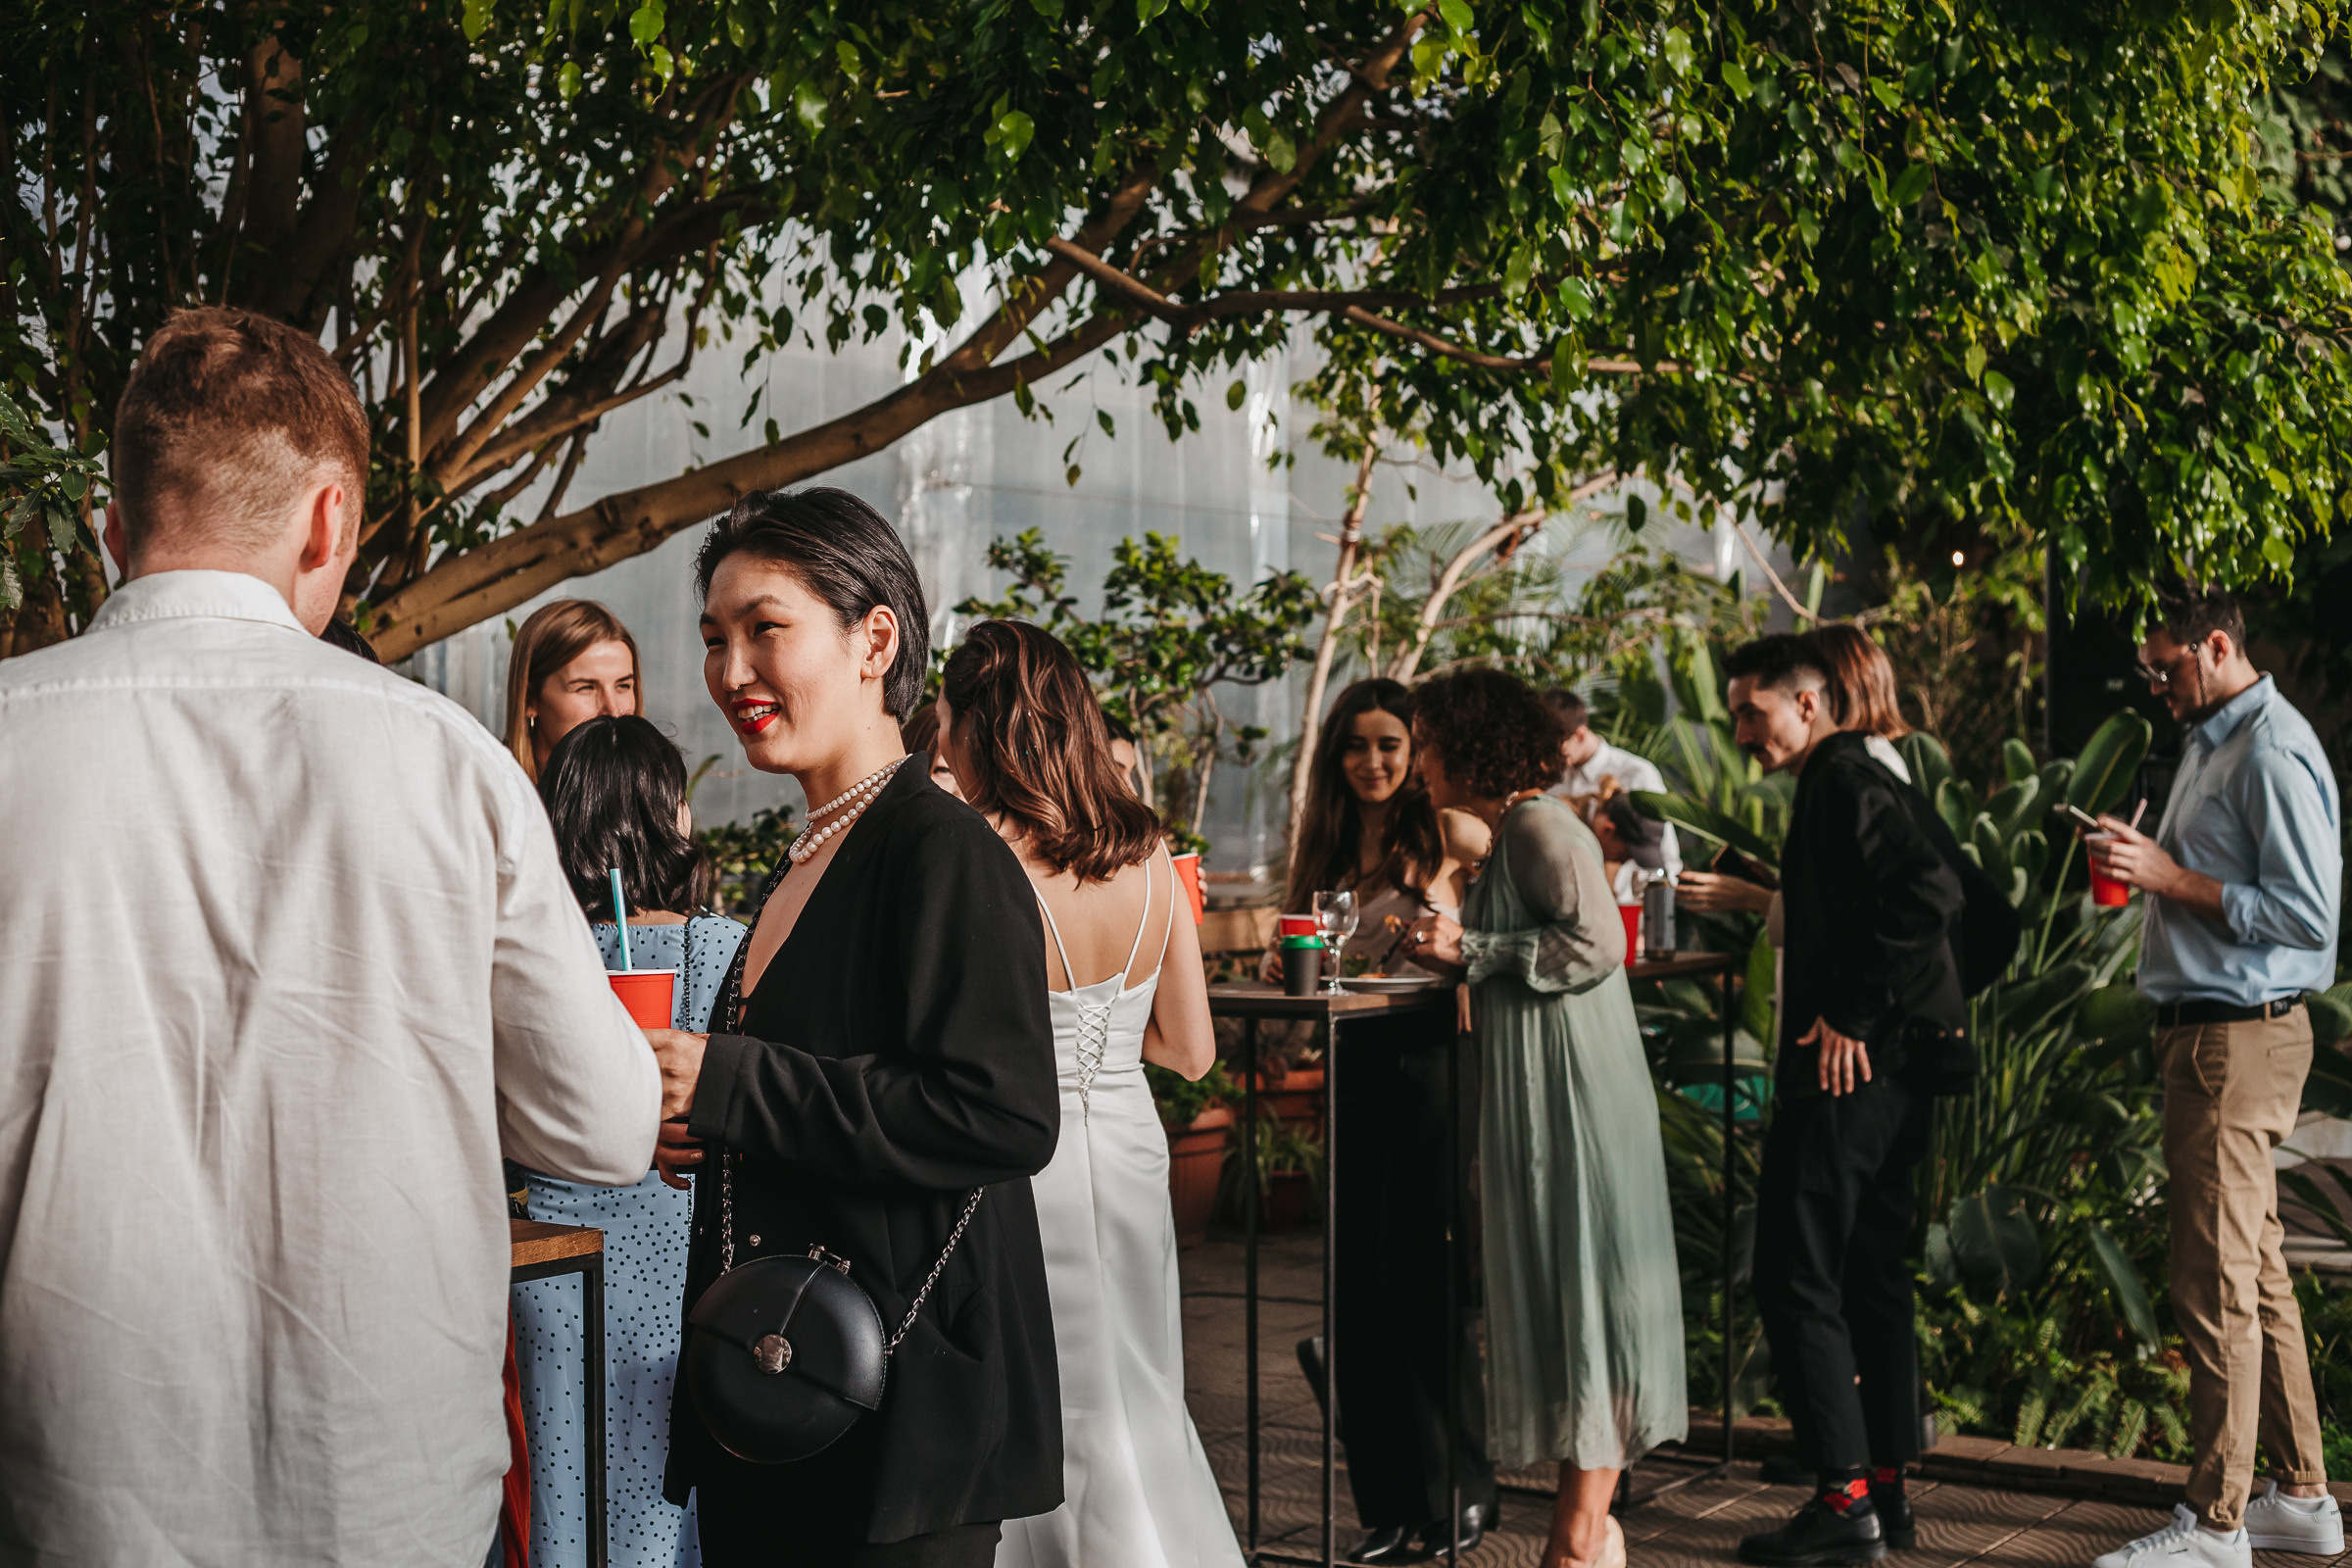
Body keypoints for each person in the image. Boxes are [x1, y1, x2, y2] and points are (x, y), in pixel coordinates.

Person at [0, 306, 661, 1565]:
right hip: (388, 1497)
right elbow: (604, 1124)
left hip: (59, 1493)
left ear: (114, 527)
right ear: (329, 521)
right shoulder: (450, 767)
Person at [642, 487, 1062, 1568]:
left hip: (899, 1413)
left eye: (765, 628)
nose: (732, 671)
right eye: (713, 638)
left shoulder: (941, 851)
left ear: (874, 637)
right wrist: (708, 1125)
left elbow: (1002, 1112)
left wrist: (732, 1081)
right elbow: (818, 1090)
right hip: (780, 1388)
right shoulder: (806, 858)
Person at [932, 619, 1235, 1568]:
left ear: (980, 723)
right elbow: (1189, 1048)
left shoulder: (975, 856)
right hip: (1132, 1144)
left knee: (1044, 1393)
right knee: (1137, 1382)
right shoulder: (1150, 853)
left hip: (1028, 1154)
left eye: (944, 715)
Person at [1404, 668, 1686, 1568]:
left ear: (1468, 746)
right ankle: (1589, 1529)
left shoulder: (1537, 823)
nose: (1419, 767)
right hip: (1549, 1086)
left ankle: (1576, 1538)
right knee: (1571, 1302)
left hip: (1576, 1097)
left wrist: (1472, 947)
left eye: (1428, 746)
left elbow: (1601, 942)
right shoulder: (1515, 831)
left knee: (1587, 1300)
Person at [2086, 587, 2342, 1568]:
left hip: (2236, 1041)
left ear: (2217, 646)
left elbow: (2308, 920)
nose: (2154, 685)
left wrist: (2168, 878)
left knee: (2214, 1283)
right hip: (2211, 1036)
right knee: (2259, 1272)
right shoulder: (2210, 736)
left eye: (2165, 667)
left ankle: (2218, 1523)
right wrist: (2141, 858)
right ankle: (2304, 1499)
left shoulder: (2271, 748)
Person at [1723, 634, 1968, 1568]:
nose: (1742, 728)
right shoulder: (1863, 772)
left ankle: (1843, 1500)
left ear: (1810, 702)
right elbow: (1953, 900)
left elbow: (1930, 891)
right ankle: (1888, 1492)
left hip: (1850, 1073)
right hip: (1902, 1072)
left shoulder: (1840, 780)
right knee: (1872, 1278)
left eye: (1755, 709)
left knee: (1794, 1273)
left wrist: (1855, 1015)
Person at [516, 714, 749, 1568]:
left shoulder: (539, 955)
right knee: (666, 1505)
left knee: (563, 1500)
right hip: (685, 1270)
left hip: (555, 1265)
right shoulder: (724, 948)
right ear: (671, 817)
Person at [1275, 677, 1497, 1564]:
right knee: (1358, 1288)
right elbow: (1305, 947)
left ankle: (1461, 1492)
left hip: (1437, 1062)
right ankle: (1388, 1505)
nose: (1372, 763)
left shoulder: (1449, 831)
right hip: (1355, 1064)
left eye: (1390, 746)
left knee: (1431, 1283)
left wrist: (1469, 933)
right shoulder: (1327, 842)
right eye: (1357, 746)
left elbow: (1534, 888)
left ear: (1414, 755)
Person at [1544, 686, 1681, 896]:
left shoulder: (1637, 773)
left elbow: (1665, 862)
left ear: (1580, 735)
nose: (1547, 761)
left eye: (1555, 750)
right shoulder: (1553, 779)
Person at [505, 598, 645, 780]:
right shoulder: (491, 794)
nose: (613, 710)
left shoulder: (657, 799)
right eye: (586, 688)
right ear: (530, 699)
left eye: (623, 686)